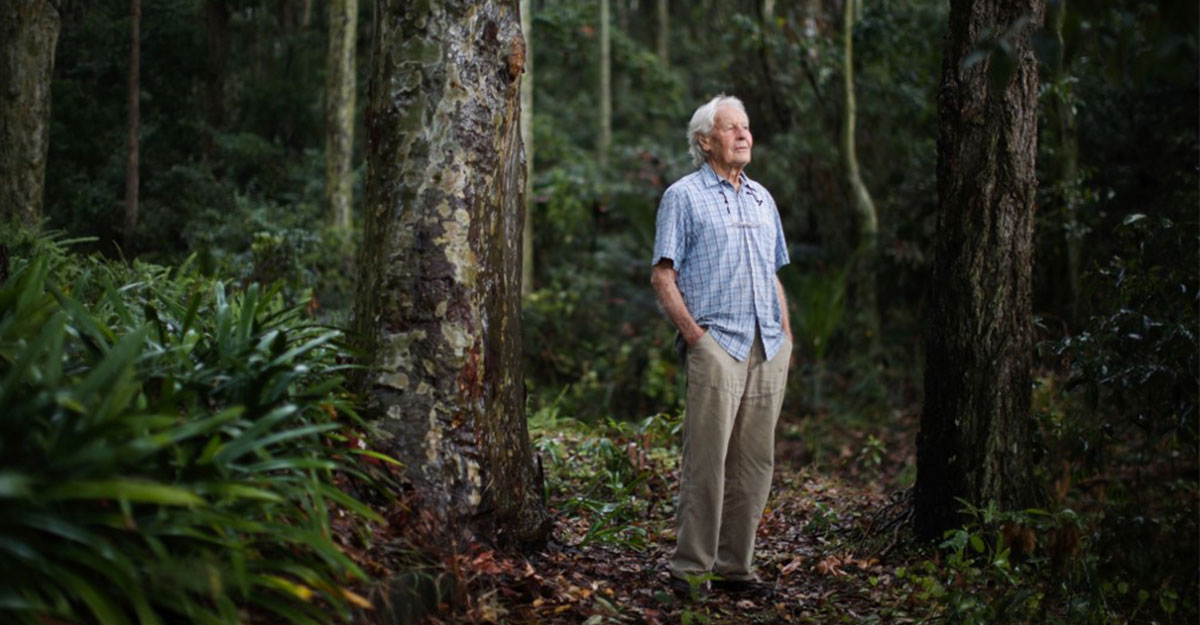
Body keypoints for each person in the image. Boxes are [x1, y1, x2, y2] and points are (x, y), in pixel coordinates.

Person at [651, 94, 792, 597]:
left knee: (754, 464)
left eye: (746, 127)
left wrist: (786, 336)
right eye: (731, 128)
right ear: (705, 141)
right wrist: (696, 338)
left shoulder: (763, 198)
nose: (744, 135)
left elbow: (773, 273)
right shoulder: (683, 196)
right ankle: (690, 570)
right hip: (717, 345)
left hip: (767, 346)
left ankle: (736, 569)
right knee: (706, 464)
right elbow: (663, 275)